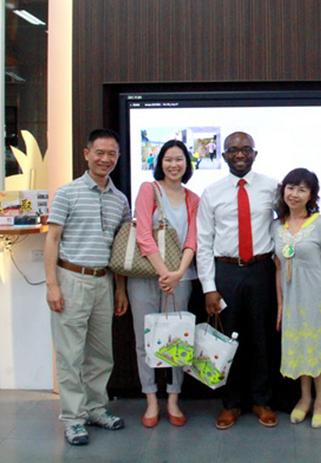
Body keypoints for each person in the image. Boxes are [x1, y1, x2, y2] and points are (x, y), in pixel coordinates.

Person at [44, 128, 131, 446]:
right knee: (70, 355)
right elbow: (52, 239)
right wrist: (52, 285)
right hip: (71, 280)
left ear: (118, 157)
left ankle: (95, 409)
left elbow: (121, 250)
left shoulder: (120, 199)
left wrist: (120, 289)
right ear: (86, 154)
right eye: (99, 152)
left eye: (112, 154)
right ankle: (72, 418)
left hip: (104, 281)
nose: (105, 159)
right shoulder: (67, 193)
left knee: (101, 354)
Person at [197, 131, 280, 430]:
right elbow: (204, 242)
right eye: (233, 150)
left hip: (261, 270)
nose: (240, 154)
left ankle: (261, 401)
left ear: (255, 154)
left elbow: (288, 221)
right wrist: (209, 288)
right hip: (226, 272)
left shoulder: (272, 187)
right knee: (227, 339)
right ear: (224, 156)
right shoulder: (212, 193)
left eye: (246, 149)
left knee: (262, 338)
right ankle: (230, 404)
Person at [128, 140, 200, 428]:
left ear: (187, 163)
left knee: (176, 340)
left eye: (179, 159)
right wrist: (164, 273)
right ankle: (150, 399)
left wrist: (178, 273)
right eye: (168, 159)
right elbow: (143, 235)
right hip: (145, 276)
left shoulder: (193, 198)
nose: (174, 165)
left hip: (181, 277)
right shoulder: (149, 189)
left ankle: (172, 398)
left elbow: (193, 238)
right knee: (143, 339)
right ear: (160, 163)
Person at [272, 168, 321, 429]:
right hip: (292, 298)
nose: (295, 194)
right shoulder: (276, 227)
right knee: (300, 346)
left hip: (317, 295)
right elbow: (278, 268)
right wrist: (280, 304)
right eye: (291, 188)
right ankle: (304, 398)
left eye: (302, 189)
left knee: (317, 345)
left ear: (311, 195)